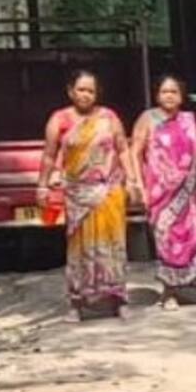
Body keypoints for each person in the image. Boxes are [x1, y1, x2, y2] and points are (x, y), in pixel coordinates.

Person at [38, 70, 131, 320]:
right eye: (81, 89)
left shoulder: (109, 117)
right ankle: (77, 303)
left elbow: (123, 149)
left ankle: (117, 299)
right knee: (79, 249)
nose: (86, 95)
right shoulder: (60, 119)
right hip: (77, 195)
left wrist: (132, 180)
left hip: (108, 191)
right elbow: (49, 155)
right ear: (71, 91)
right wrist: (42, 185)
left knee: (113, 245)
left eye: (90, 90)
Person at [128, 76, 196, 309]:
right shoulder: (148, 119)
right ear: (156, 95)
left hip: (187, 191)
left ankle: (183, 287)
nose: (169, 96)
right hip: (160, 192)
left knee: (189, 237)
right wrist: (136, 183)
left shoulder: (189, 120)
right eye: (164, 91)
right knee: (165, 239)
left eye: (173, 91)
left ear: (181, 96)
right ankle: (168, 291)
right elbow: (134, 152)